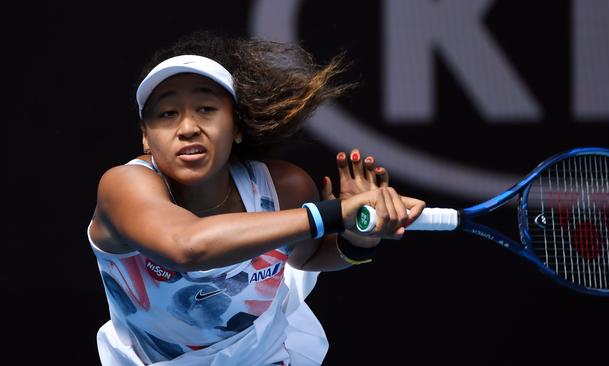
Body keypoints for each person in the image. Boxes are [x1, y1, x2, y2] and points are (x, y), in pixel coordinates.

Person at [88, 30, 425, 366]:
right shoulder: (124, 186)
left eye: (206, 109)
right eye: (167, 114)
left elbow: (305, 260)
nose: (188, 127)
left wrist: (357, 238)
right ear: (145, 137)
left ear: (236, 127)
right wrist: (332, 213)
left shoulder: (283, 187)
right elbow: (186, 246)